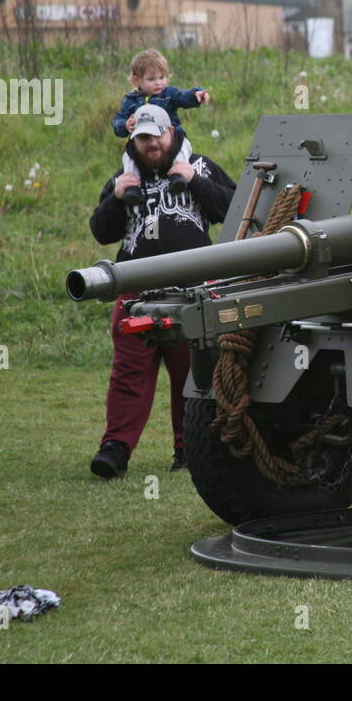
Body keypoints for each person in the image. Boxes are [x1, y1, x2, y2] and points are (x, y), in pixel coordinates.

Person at [87, 105, 237, 479]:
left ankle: (189, 448)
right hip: (136, 293)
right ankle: (115, 449)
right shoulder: (124, 176)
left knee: (192, 373)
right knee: (128, 373)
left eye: (156, 136)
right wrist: (115, 198)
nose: (151, 144)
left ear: (171, 132)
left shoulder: (201, 166)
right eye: (143, 138)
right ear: (133, 140)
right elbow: (103, 232)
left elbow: (236, 210)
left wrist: (195, 180)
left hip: (192, 293)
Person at [112, 49, 212, 207]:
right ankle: (132, 186)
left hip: (171, 138)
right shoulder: (130, 100)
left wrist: (195, 96)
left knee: (184, 146)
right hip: (142, 140)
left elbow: (183, 97)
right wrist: (125, 125)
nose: (158, 83)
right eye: (151, 79)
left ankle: (178, 175)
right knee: (128, 157)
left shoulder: (169, 94)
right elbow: (117, 122)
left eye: (162, 77)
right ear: (137, 80)